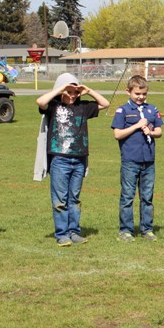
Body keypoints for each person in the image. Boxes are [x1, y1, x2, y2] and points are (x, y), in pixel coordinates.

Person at [36, 73, 110, 247]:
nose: (72, 96)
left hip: (79, 159)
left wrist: (88, 90)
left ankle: (74, 231)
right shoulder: (53, 106)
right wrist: (60, 90)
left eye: (75, 92)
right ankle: (62, 233)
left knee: (74, 198)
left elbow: (105, 104)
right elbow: (40, 102)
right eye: (69, 92)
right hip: (60, 159)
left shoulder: (83, 107)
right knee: (60, 199)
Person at [112, 75, 163, 242]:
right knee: (127, 197)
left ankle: (146, 229)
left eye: (144, 94)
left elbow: (159, 132)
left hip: (148, 160)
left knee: (147, 197)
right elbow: (117, 134)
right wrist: (136, 126)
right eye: (137, 94)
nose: (141, 97)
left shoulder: (152, 110)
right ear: (128, 92)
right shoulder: (122, 111)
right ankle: (125, 230)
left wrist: (151, 132)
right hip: (130, 160)